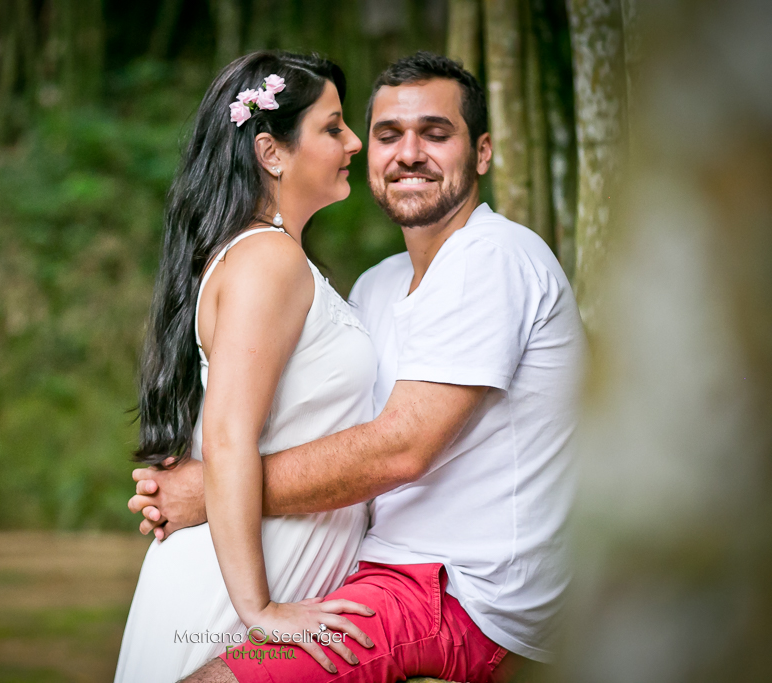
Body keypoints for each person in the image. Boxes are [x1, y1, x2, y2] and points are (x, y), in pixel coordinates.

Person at [129, 52, 587, 683]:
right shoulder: (375, 286)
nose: (408, 153)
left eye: (436, 133)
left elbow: (400, 448)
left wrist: (210, 490)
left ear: (482, 152)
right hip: (374, 567)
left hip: (458, 589)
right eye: (386, 135)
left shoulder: (496, 257)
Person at [113, 51, 384, 683]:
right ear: (272, 152)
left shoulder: (272, 257)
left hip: (271, 563)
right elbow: (229, 434)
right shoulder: (268, 260)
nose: (352, 142)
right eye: (333, 126)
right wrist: (257, 609)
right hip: (233, 594)